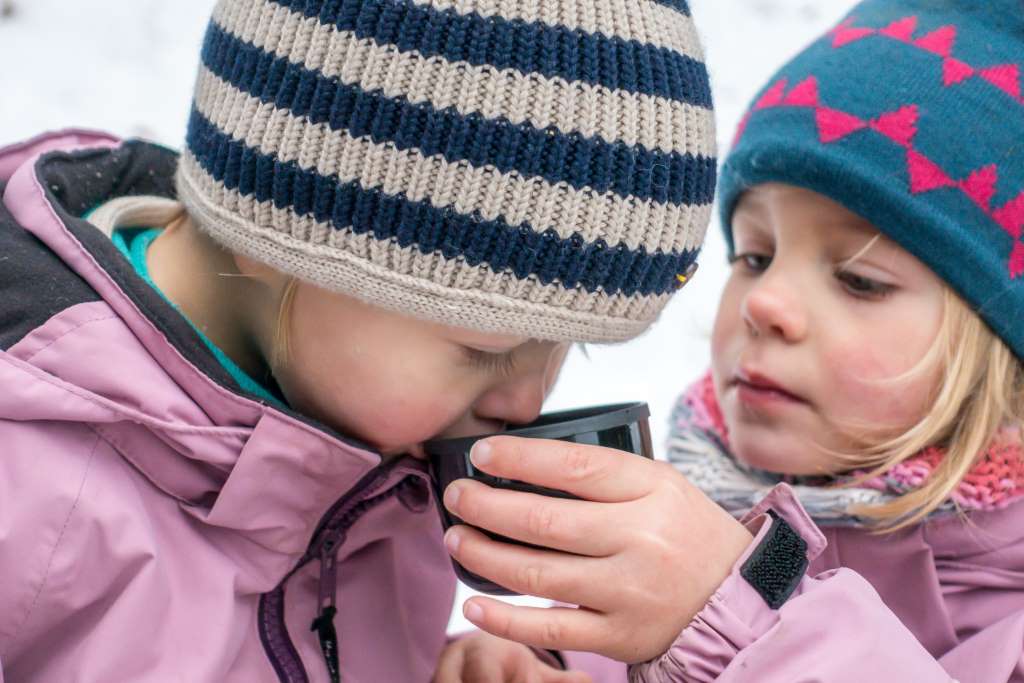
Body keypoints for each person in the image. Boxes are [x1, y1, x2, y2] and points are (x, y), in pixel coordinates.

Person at [0, 0, 715, 680]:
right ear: (272, 233)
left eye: (571, 346)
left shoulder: (371, 452)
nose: (527, 401)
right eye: (483, 345)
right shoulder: (28, 490)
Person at [441, 1, 1024, 680]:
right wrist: (546, 659)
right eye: (754, 255)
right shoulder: (700, 504)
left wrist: (736, 613)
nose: (766, 302)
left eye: (859, 280)